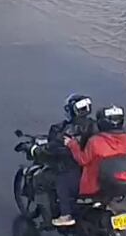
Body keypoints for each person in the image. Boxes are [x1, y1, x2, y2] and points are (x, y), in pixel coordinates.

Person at [55, 105, 126, 227]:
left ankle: (65, 215)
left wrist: (72, 144)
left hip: (92, 183)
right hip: (111, 179)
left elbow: (82, 160)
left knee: (62, 182)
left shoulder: (95, 141)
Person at [33, 94, 95, 227]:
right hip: (90, 171)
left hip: (72, 171)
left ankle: (62, 215)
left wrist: (37, 150)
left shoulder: (68, 132)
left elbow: (53, 149)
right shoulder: (94, 126)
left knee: (41, 180)